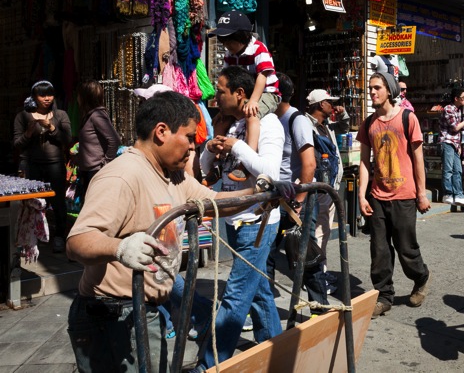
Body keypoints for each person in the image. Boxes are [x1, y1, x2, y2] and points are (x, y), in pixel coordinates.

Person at [66, 91, 263, 372]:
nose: (194, 147)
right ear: (161, 132)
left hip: (143, 310)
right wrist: (119, 249)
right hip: (112, 315)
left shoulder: (174, 175)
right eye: (189, 137)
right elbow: (78, 241)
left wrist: (260, 193)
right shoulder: (122, 176)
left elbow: (214, 203)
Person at [195, 66, 285, 370]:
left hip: (257, 224)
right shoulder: (232, 125)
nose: (216, 97)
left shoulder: (269, 124)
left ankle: (208, 364)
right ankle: (278, 352)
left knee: (235, 299)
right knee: (258, 294)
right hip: (234, 220)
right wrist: (211, 145)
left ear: (240, 94)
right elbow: (205, 166)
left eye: (220, 91)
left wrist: (238, 146)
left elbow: (270, 175)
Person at [358, 72, 431, 318]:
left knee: (405, 247)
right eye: (370, 88)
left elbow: (418, 159)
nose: (372, 92)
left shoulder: (408, 119)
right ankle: (384, 295)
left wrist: (421, 193)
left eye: (377, 87)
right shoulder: (369, 123)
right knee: (379, 250)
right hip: (378, 196)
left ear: (389, 90)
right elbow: (365, 163)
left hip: (404, 195)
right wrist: (361, 195)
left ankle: (420, 277)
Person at [268, 73, 329, 306]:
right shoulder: (269, 121)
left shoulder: (296, 119)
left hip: (295, 202)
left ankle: (319, 307)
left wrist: (300, 200)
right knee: (267, 256)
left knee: (306, 255)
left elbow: (309, 163)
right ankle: (266, 308)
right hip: (274, 199)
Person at [14, 80, 72, 252]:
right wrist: (29, 133)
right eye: (42, 95)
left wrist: (52, 128)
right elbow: (17, 144)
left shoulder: (60, 115)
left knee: (58, 202)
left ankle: (59, 236)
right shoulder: (23, 116)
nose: (47, 98)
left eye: (50, 94)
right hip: (30, 165)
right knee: (30, 202)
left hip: (55, 165)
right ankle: (30, 239)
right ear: (34, 97)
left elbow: (68, 140)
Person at [215, 10, 280, 160]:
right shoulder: (229, 54)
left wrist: (254, 100)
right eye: (224, 41)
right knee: (221, 119)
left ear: (242, 36)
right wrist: (222, 108)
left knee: (252, 114)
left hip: (267, 93)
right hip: (247, 95)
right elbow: (226, 78)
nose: (227, 44)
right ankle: (218, 159)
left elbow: (263, 75)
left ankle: (248, 158)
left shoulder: (258, 48)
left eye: (230, 40)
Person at [305, 89, 350, 285]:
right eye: (329, 102)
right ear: (320, 104)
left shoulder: (327, 125)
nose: (333, 105)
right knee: (318, 233)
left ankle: (319, 271)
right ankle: (317, 276)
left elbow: (345, 127)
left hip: (329, 186)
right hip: (318, 187)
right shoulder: (306, 125)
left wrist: (343, 114)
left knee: (323, 232)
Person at [75, 80, 121, 205]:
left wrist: (105, 164)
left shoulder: (97, 115)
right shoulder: (88, 116)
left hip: (96, 170)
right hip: (88, 170)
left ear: (85, 97)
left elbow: (114, 139)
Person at [439, 88, 464, 206]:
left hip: (454, 143)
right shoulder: (448, 109)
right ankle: (447, 193)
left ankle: (458, 194)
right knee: (448, 169)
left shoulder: (458, 110)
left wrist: (458, 145)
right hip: (447, 141)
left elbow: (456, 132)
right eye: (463, 97)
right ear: (456, 98)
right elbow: (455, 127)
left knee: (458, 170)